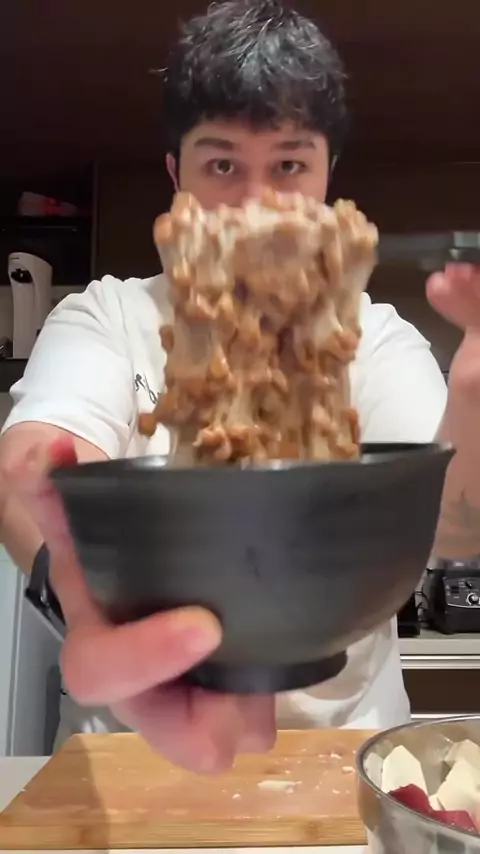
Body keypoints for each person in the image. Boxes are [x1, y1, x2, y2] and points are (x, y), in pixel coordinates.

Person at [1, 0, 480, 772]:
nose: (256, 205)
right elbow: (32, 468)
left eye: (289, 165)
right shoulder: (109, 316)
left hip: (341, 758)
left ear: (328, 175)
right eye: (222, 165)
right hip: (131, 758)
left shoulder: (374, 338)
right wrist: (84, 597)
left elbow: (452, 529)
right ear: (175, 174)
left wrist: (475, 396)